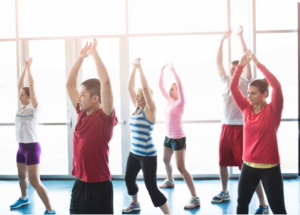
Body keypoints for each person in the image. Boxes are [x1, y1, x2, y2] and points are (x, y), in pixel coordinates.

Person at [213, 26, 268, 214]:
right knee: (222, 162)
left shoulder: (246, 82)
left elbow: (247, 57)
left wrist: (240, 36)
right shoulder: (225, 81)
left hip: (241, 129)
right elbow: (218, 62)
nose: (230, 72)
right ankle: (224, 191)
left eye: (234, 69)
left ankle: (262, 203)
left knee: (249, 168)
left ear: (241, 70)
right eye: (230, 69)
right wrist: (221, 39)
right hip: (226, 127)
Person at [230, 50, 287, 214]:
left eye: (253, 93)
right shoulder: (246, 109)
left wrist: (257, 63)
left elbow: (276, 85)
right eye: (248, 93)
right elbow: (233, 88)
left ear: (264, 94)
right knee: (242, 204)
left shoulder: (273, 111)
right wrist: (240, 66)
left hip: (270, 169)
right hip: (248, 166)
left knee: (278, 209)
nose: (249, 96)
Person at [66, 39, 117, 214]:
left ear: (96, 98)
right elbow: (69, 85)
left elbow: (106, 82)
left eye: (83, 95)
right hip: (79, 185)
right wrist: (81, 57)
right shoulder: (81, 114)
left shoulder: (105, 119)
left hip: (99, 188)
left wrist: (94, 53)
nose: (79, 99)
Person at [122, 58, 170, 214]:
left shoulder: (149, 110)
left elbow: (144, 86)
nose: (136, 97)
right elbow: (129, 87)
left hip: (147, 155)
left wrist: (141, 68)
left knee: (152, 188)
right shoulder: (137, 108)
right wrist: (134, 69)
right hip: (134, 153)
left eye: (140, 95)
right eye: (136, 95)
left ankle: (168, 213)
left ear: (146, 96)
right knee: (129, 179)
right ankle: (135, 203)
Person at [10, 58, 56, 214]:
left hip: (32, 148)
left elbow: (32, 86)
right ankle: (24, 198)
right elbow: (19, 85)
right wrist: (24, 69)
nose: (19, 96)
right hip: (21, 148)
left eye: (23, 94)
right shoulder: (22, 107)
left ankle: (50, 210)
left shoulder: (34, 107)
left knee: (35, 181)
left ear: (29, 97)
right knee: (21, 177)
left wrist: (30, 70)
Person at [158, 63, 200, 209]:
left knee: (181, 168)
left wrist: (173, 71)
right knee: (165, 160)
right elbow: (160, 87)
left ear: (177, 91)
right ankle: (170, 180)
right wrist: (162, 72)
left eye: (172, 89)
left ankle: (195, 197)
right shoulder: (169, 101)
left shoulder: (181, 103)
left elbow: (180, 84)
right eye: (169, 89)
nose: (169, 91)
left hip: (178, 138)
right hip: (168, 137)